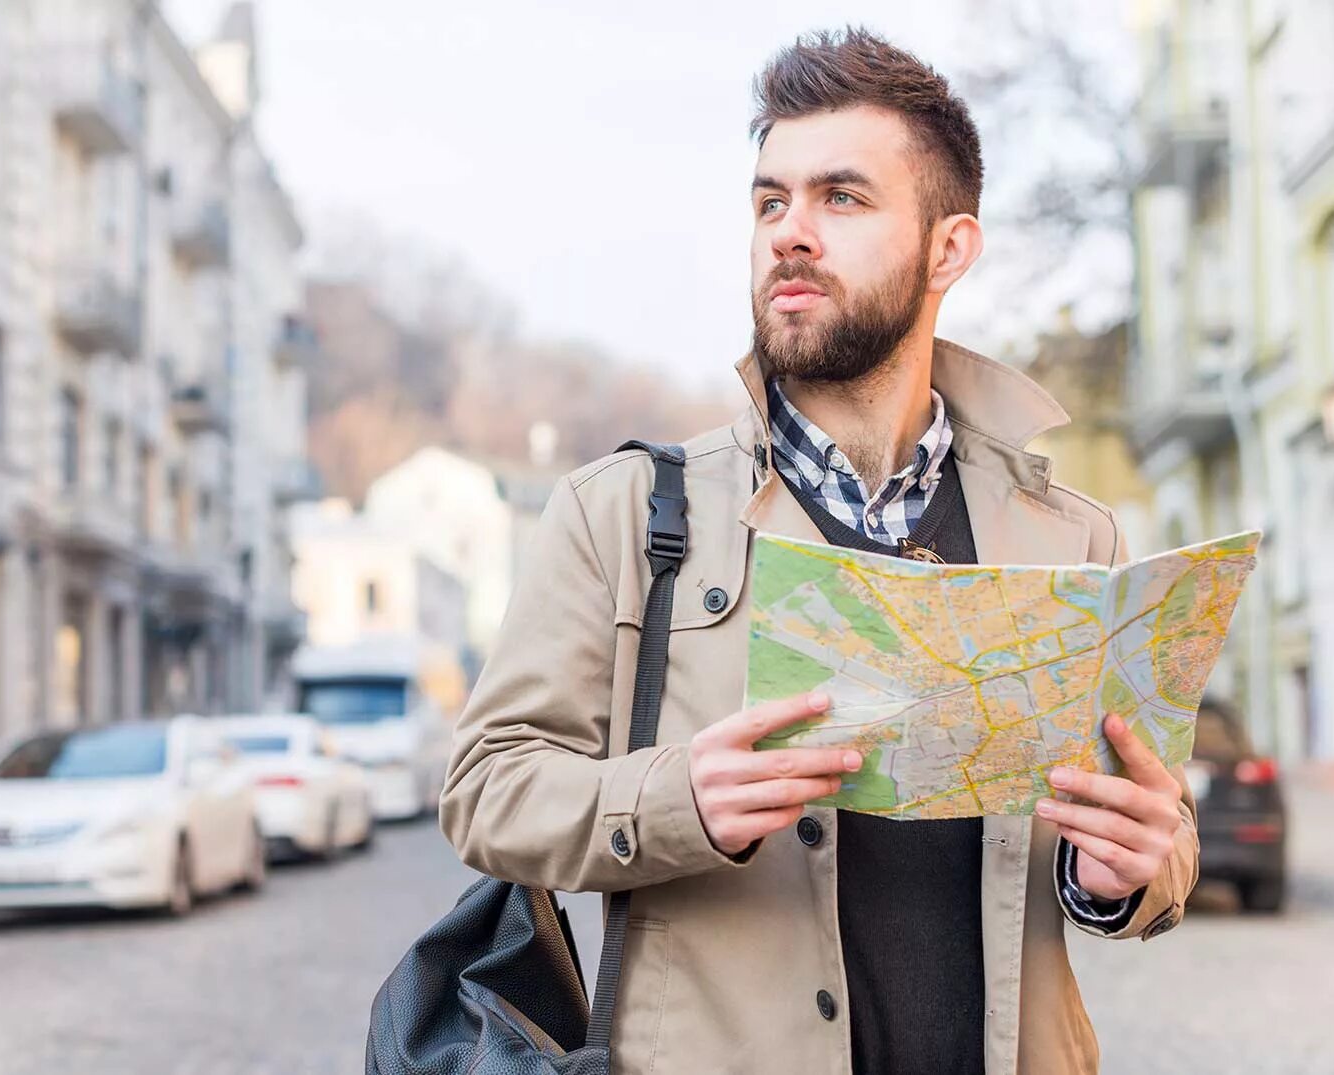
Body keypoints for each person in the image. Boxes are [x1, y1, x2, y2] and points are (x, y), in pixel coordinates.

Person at [440, 27, 1196, 1075]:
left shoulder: (1072, 536)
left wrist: (1129, 870)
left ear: (949, 249)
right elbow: (485, 787)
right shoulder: (621, 513)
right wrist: (678, 801)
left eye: (842, 198)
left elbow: (1154, 817)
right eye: (770, 201)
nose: (790, 233)